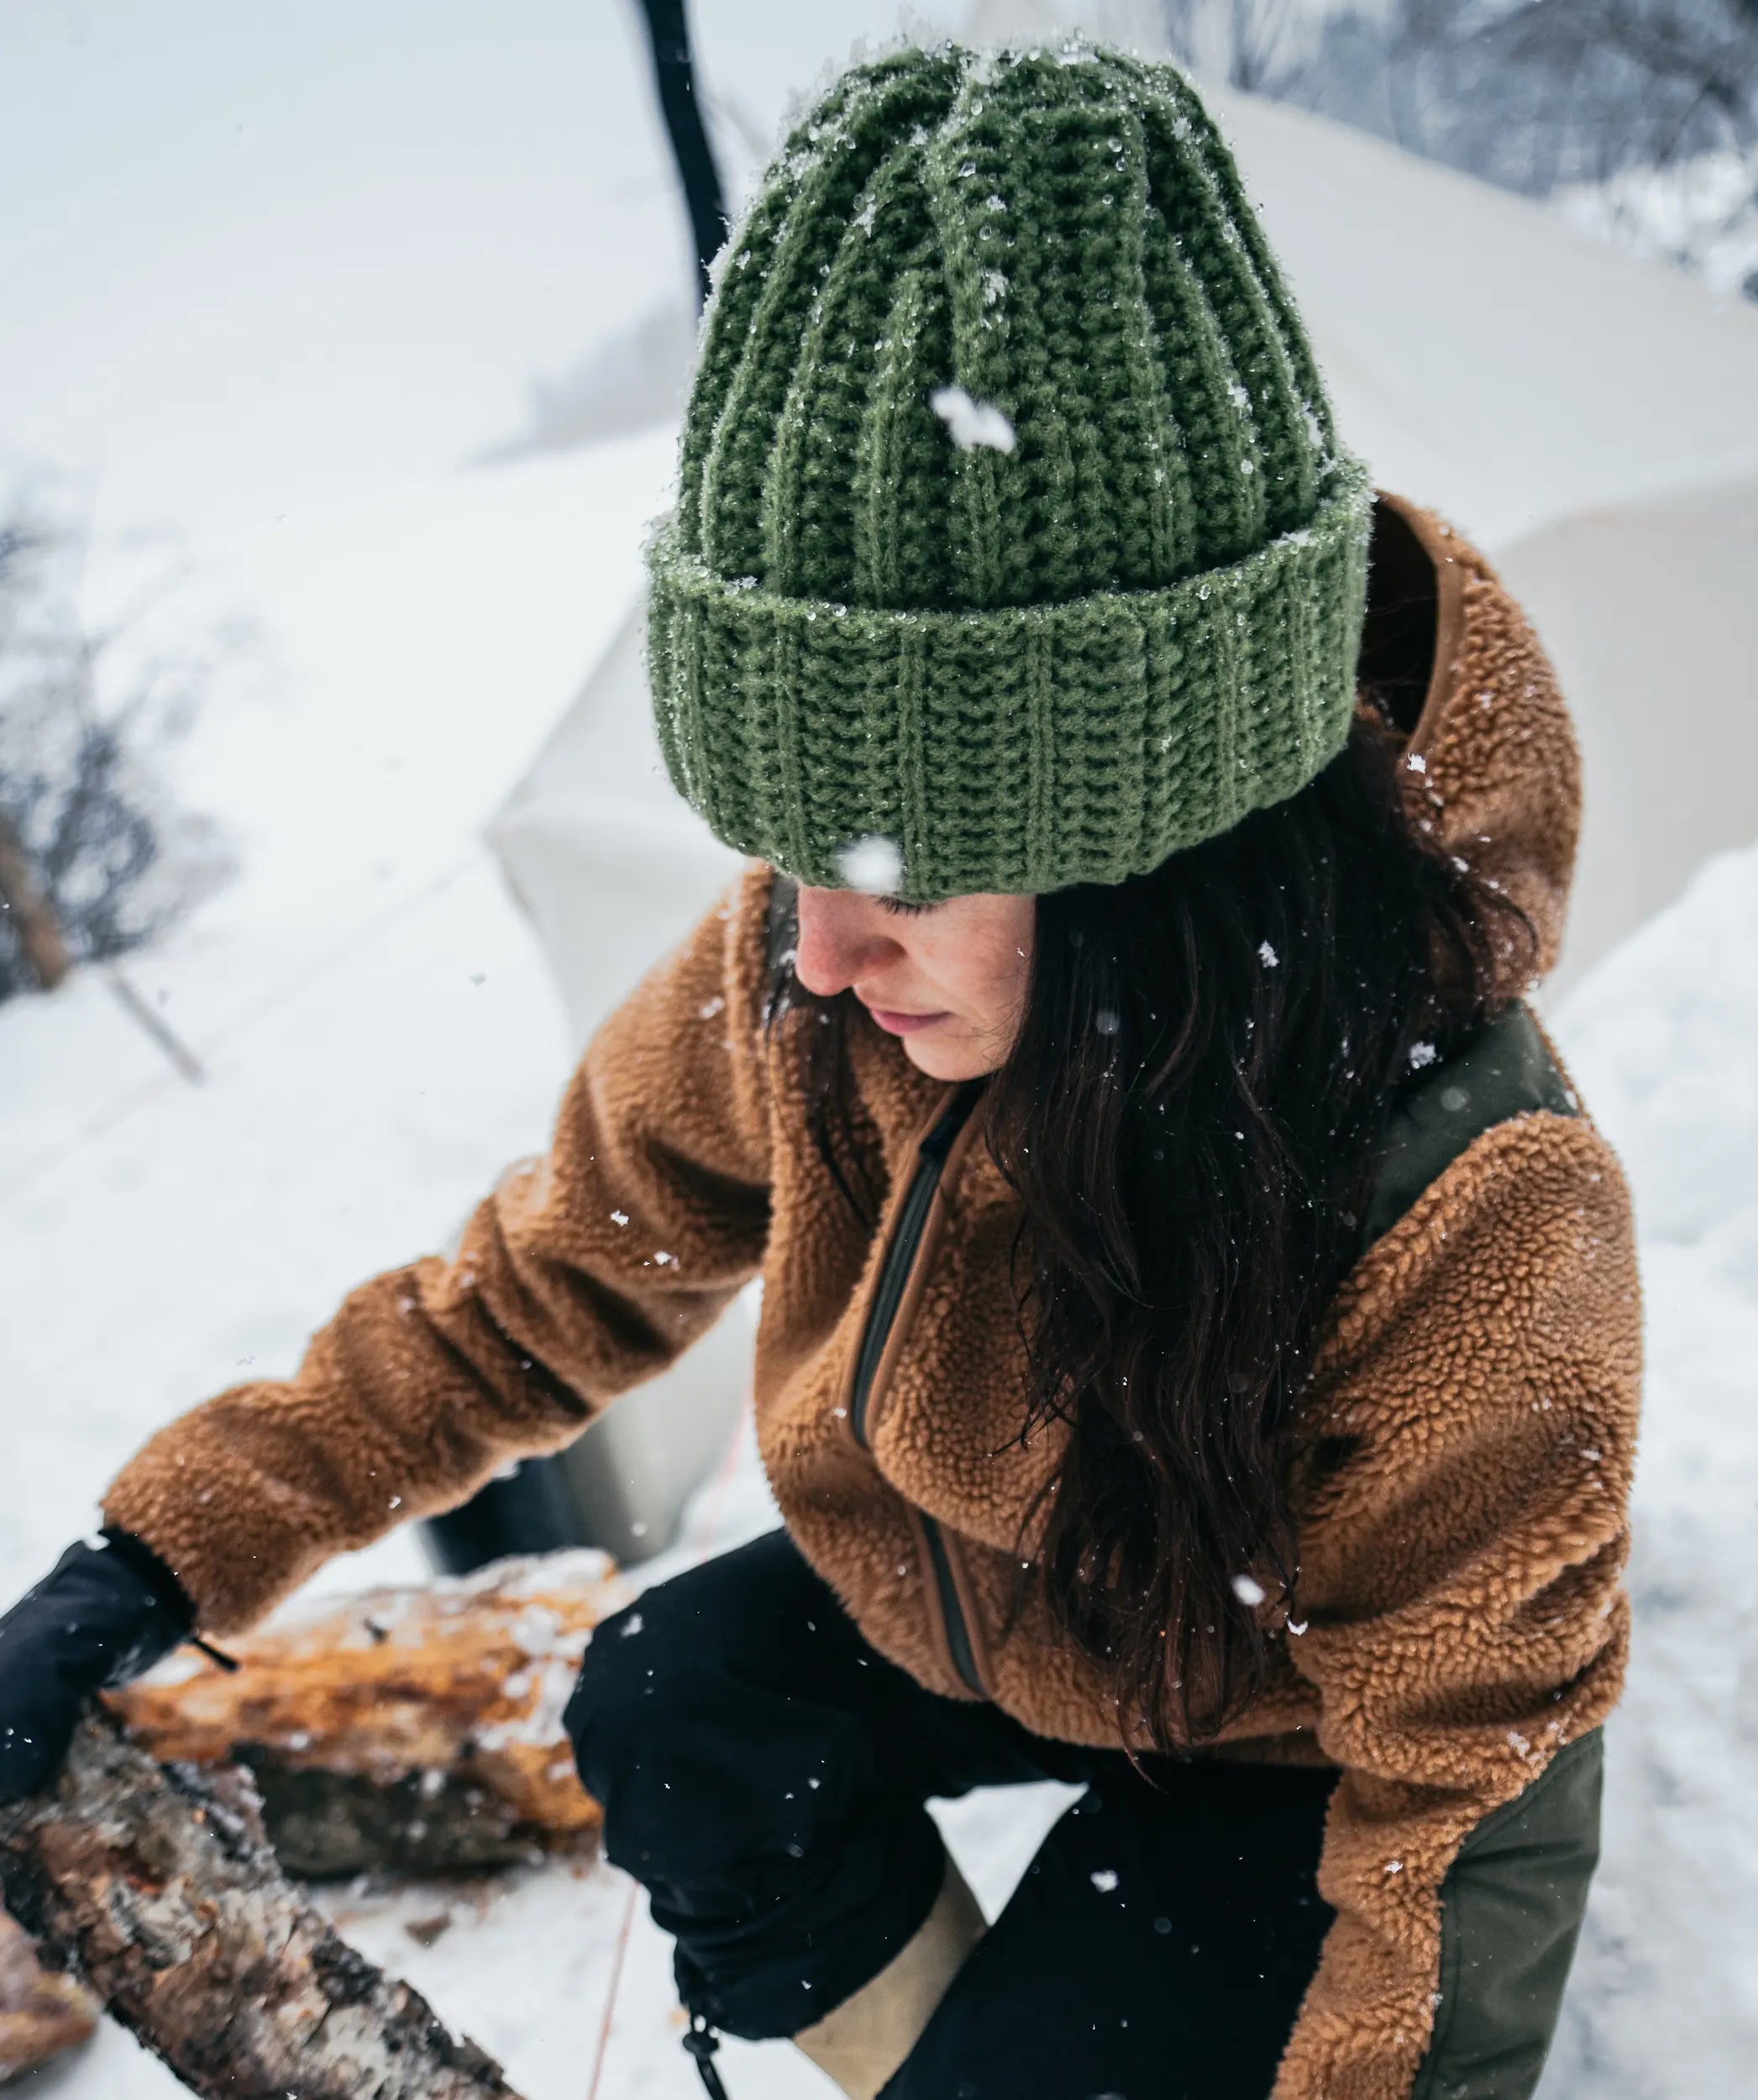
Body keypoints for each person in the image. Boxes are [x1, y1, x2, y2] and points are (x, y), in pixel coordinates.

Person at [0, 41, 1640, 2100]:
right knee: (672, 1699)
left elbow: (1468, 1810)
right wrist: (143, 1560)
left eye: (904, 875)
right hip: (1007, 1614)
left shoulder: (1465, 1190)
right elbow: (539, 1281)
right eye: (788, 857)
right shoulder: (817, 965)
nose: (812, 955)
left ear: (1164, 841)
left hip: (1276, 1744)